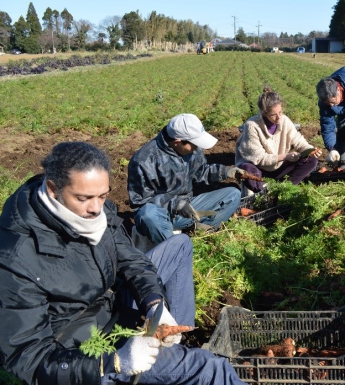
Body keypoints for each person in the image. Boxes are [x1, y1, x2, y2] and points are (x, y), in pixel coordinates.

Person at [0, 142, 246, 385]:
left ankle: (173, 338)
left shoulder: (97, 214)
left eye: (103, 195)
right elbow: (28, 358)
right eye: (84, 198)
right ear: (54, 190)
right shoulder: (16, 257)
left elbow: (133, 260)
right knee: (208, 368)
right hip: (79, 349)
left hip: (110, 310)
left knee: (179, 245)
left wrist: (154, 305)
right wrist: (113, 362)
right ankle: (170, 365)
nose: (96, 208)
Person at [128, 113, 244, 245]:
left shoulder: (192, 149)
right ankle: (173, 247)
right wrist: (175, 204)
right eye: (193, 144)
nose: (196, 149)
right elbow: (141, 203)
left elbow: (201, 172)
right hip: (162, 216)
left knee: (233, 195)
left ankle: (194, 229)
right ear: (177, 142)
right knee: (147, 215)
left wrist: (226, 171)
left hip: (189, 208)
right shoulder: (144, 159)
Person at [235, 86, 322, 195]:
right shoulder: (252, 126)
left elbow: (298, 140)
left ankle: (285, 189)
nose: (279, 117)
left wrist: (311, 150)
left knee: (311, 161)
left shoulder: (284, 120)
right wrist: (284, 156)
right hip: (259, 169)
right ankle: (262, 192)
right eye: (274, 115)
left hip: (279, 167)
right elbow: (258, 158)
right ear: (264, 113)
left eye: (280, 112)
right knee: (246, 168)